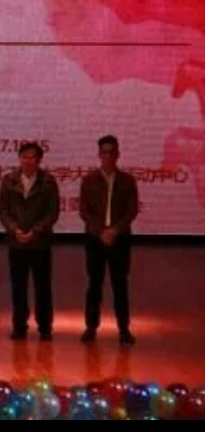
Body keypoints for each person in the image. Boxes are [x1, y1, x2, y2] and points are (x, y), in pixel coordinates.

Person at [79, 135, 139, 346]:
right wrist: (101, 231)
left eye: (111, 152)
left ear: (117, 154)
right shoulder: (89, 180)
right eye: (104, 152)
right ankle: (90, 328)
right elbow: (84, 211)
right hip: (95, 239)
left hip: (120, 239)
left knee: (120, 284)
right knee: (94, 284)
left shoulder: (127, 181)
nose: (107, 156)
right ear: (99, 154)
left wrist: (115, 230)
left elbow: (131, 210)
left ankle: (124, 329)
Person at [0, 141, 61, 341]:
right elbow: (3, 210)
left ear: (39, 160)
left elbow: (52, 212)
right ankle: (19, 326)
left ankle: (45, 327)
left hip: (40, 242)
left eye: (32, 157)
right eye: (24, 157)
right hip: (16, 242)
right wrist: (14, 229)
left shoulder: (48, 182)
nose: (28, 161)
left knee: (43, 287)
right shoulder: (9, 180)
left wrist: (35, 231)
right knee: (18, 287)